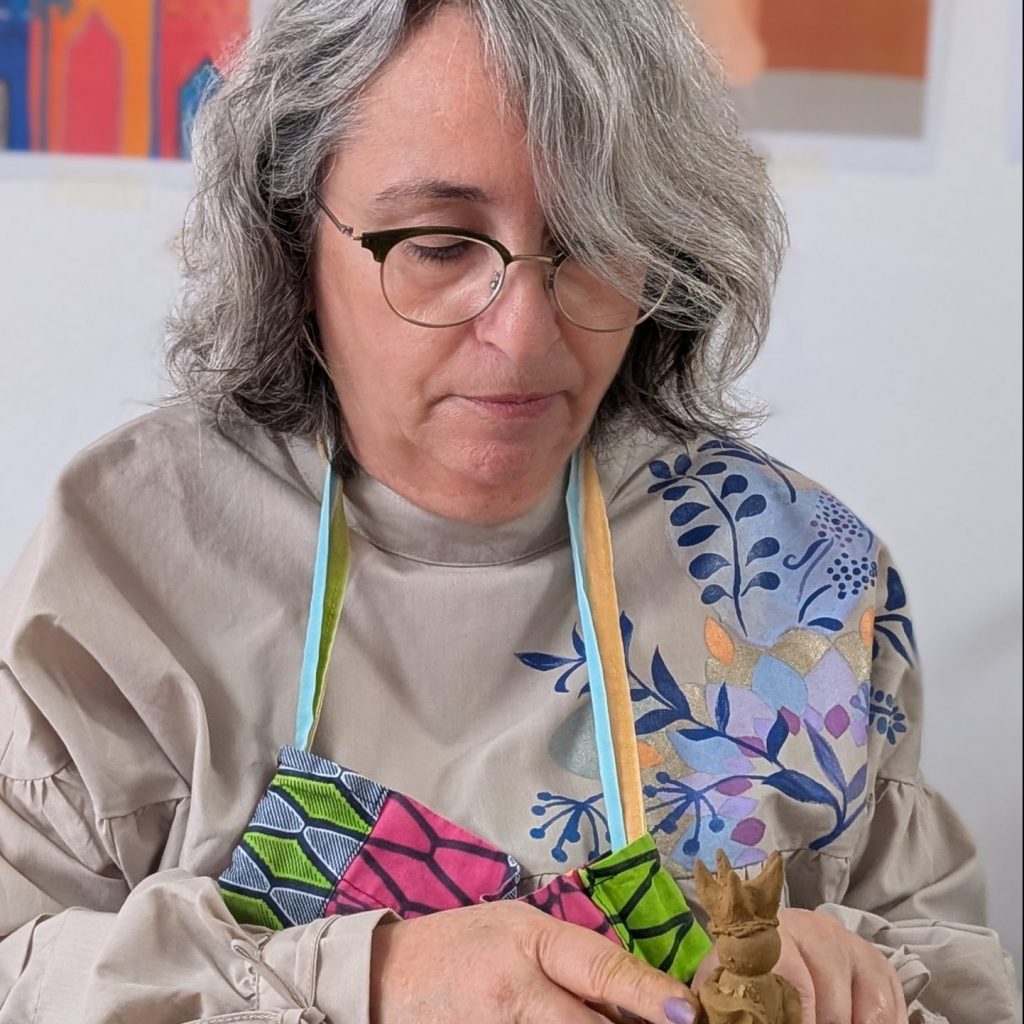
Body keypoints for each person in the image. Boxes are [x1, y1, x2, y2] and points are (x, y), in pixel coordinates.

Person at [0, 1, 1018, 1022]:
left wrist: (859, 978)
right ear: (292, 238)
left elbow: (962, 974)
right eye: (441, 246)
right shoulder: (132, 556)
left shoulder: (797, 580)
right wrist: (368, 979)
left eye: (590, 240)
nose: (524, 334)